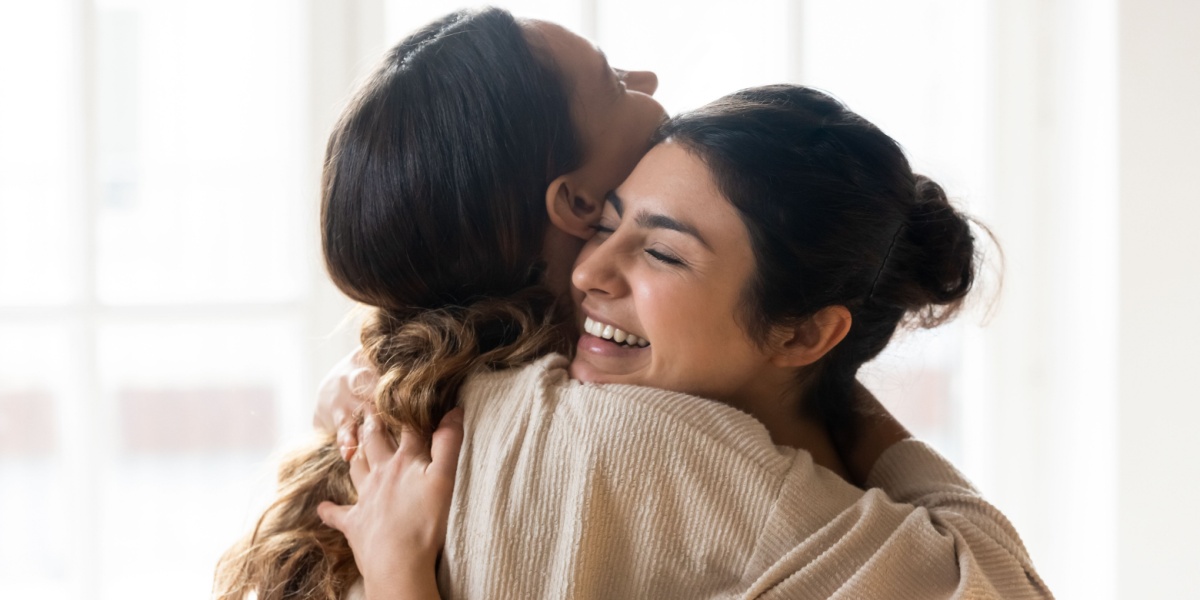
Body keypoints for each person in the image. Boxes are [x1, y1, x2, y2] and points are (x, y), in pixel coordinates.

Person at [316, 86, 1054, 598]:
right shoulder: (659, 448)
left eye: (663, 253)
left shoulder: (477, 397)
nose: (591, 270)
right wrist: (843, 399)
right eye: (605, 224)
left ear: (802, 331)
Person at [213, 8, 664, 600]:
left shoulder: (385, 410)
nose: (650, 81)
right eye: (615, 82)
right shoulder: (612, 438)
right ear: (576, 202)